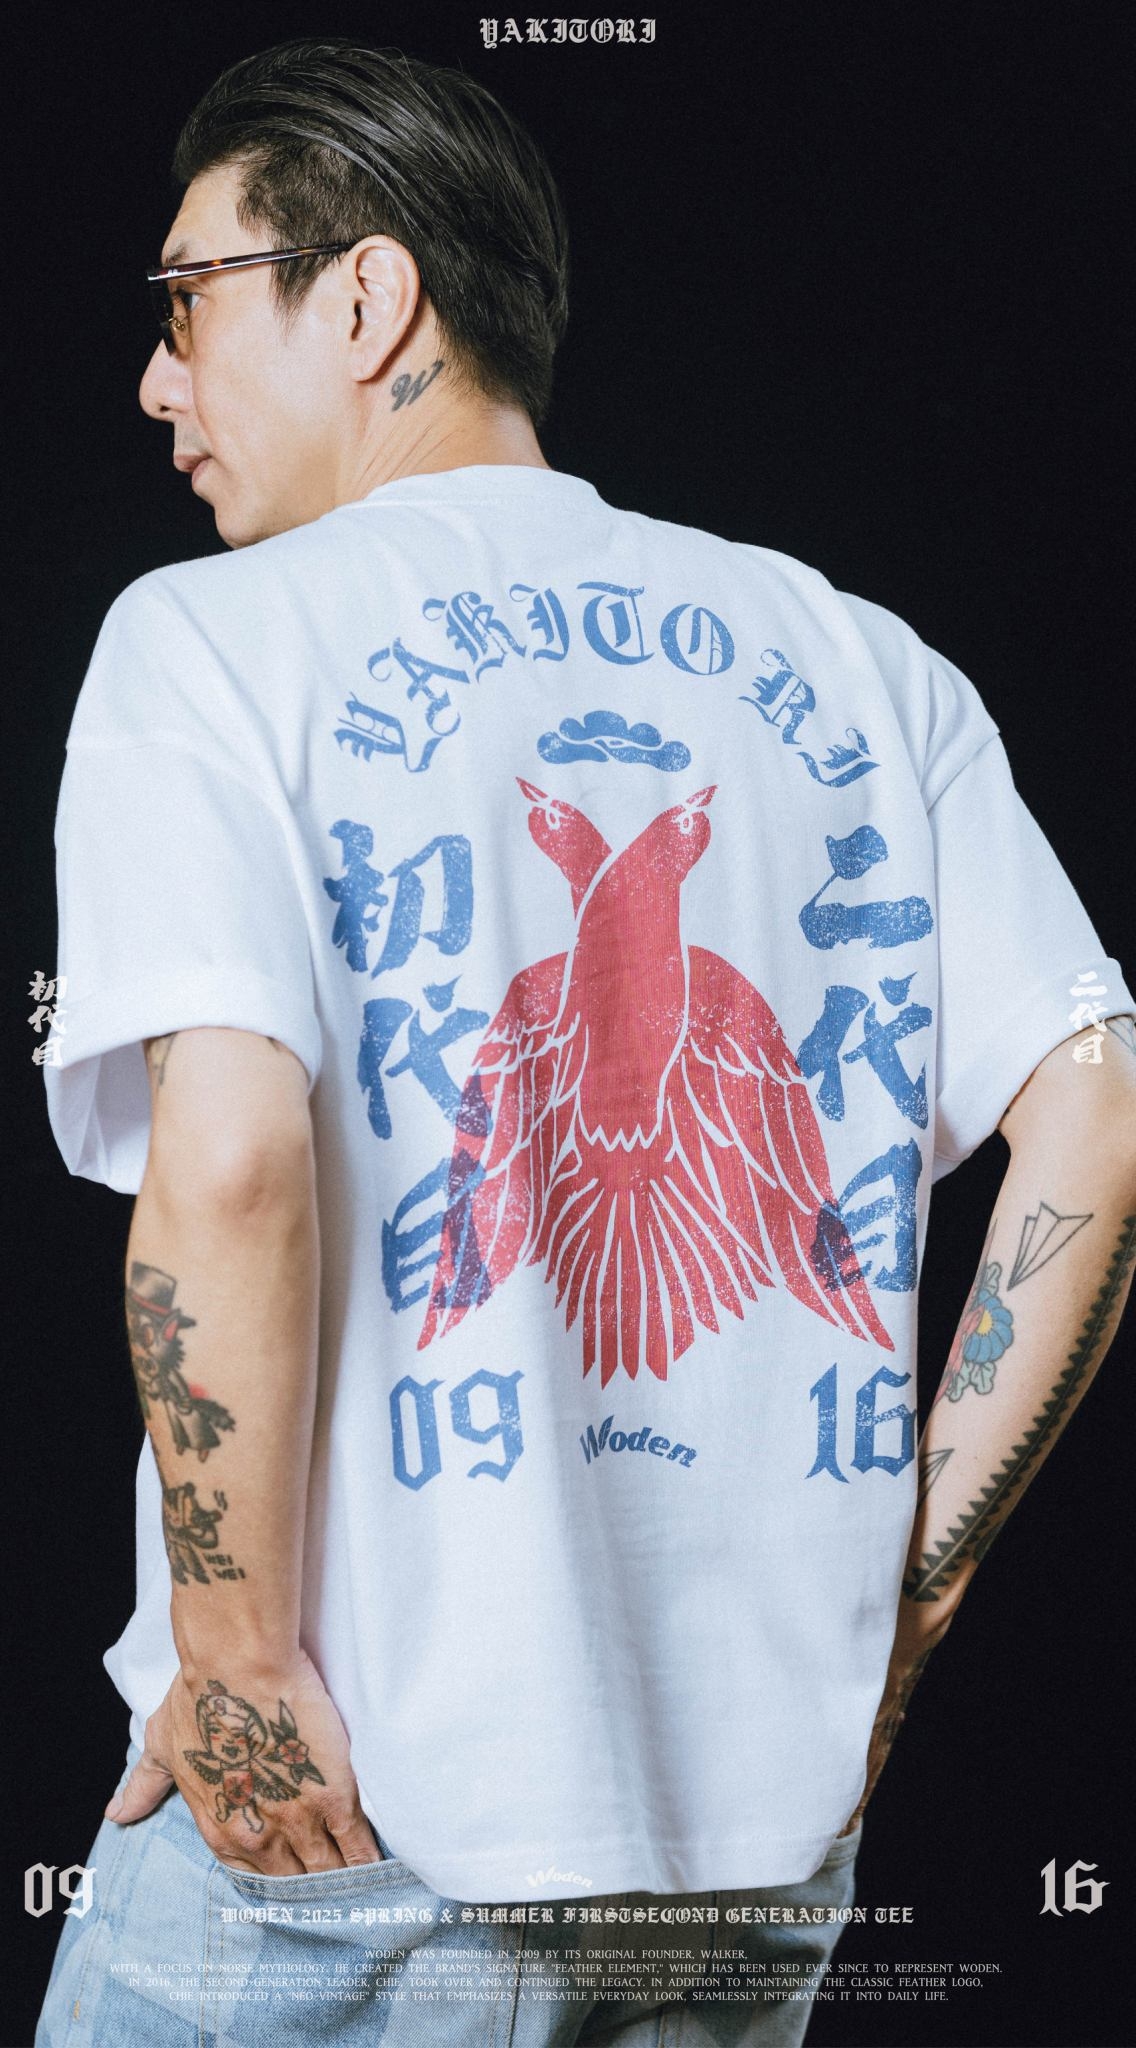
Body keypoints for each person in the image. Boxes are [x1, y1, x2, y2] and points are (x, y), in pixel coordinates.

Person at [35, 35, 1136, 2048]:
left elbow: (233, 1161)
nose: (156, 384)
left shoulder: (209, 645)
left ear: (365, 299)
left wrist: (235, 1658)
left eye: (187, 302)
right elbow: (1097, 1117)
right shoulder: (866, 665)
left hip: (363, 1831)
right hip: (750, 1857)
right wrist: (908, 1600)